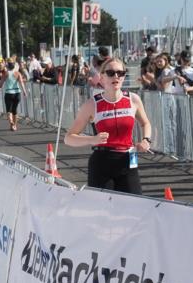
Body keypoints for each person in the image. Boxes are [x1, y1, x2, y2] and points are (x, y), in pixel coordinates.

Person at [64, 57, 153, 194]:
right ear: (102, 77)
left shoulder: (133, 99)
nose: (116, 76)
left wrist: (146, 140)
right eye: (111, 73)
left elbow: (145, 123)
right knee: (104, 210)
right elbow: (69, 138)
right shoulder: (92, 104)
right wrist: (92, 140)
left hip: (129, 159)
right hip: (102, 161)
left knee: (135, 207)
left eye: (120, 73)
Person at [0, 60, 27, 131]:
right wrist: (24, 91)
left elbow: (1, 83)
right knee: (15, 110)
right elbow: (21, 83)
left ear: (7, 67)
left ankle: (11, 122)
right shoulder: (18, 73)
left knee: (9, 110)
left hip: (8, 93)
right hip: (17, 93)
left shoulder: (6, 73)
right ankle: (14, 125)